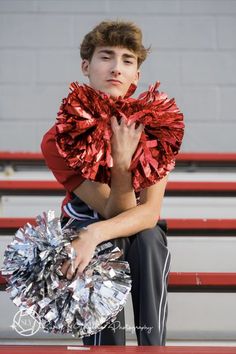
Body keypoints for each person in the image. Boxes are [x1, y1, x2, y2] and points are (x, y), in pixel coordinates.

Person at [41, 20, 183, 346]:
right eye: (106, 57)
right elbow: (109, 209)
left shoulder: (159, 126)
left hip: (122, 231)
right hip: (88, 228)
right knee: (106, 248)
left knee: (149, 240)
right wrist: (121, 166)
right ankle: (106, 348)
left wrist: (96, 233)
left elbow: (148, 214)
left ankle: (153, 347)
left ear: (137, 75)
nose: (116, 69)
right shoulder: (57, 139)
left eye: (127, 60)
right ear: (86, 66)